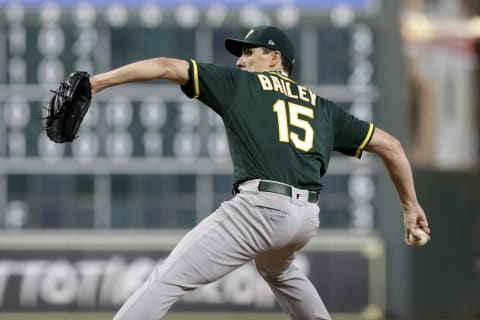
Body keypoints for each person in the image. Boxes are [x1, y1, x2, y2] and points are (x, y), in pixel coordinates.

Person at [89, 25, 430, 320]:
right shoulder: (323, 107)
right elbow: (392, 146)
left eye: (249, 53)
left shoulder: (242, 85)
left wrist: (97, 82)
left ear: (274, 58)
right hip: (305, 218)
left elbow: (165, 66)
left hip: (260, 209)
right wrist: (410, 207)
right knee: (277, 270)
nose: (239, 61)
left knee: (168, 278)